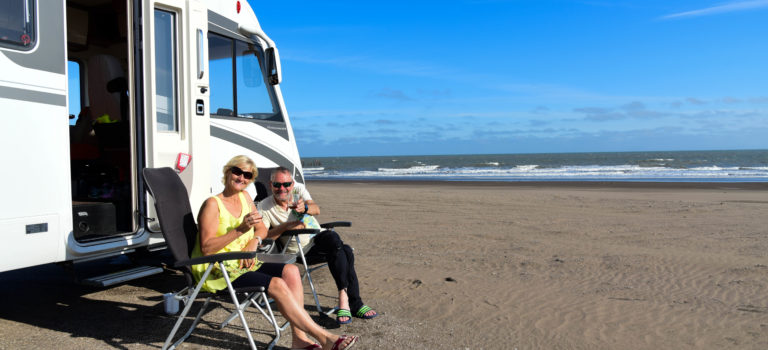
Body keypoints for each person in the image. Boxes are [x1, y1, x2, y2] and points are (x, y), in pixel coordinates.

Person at [190, 156, 358, 350]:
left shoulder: (245, 198)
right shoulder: (212, 204)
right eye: (237, 171)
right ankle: (325, 338)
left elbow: (261, 229)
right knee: (277, 283)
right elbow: (207, 248)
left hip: (244, 260)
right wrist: (240, 230)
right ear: (228, 171)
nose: (241, 177)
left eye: (247, 175)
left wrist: (254, 241)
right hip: (217, 267)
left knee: (291, 271)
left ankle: (299, 340)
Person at [258, 167, 378, 325]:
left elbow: (316, 209)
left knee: (333, 238)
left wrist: (305, 208)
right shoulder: (264, 207)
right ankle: (354, 303)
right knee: (346, 251)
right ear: (270, 184)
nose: (282, 188)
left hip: (320, 238)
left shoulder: (298, 191)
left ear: (292, 183)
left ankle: (344, 297)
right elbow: (265, 237)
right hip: (302, 250)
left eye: (286, 184)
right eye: (277, 185)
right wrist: (285, 227)